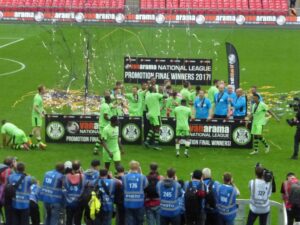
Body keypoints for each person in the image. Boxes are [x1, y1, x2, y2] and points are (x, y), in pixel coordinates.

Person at [122, 160, 148, 225]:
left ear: (130, 168)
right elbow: (145, 185)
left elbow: (124, 186)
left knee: (129, 221)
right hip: (139, 202)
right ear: (138, 167)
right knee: (139, 221)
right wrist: (141, 172)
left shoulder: (124, 177)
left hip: (128, 201)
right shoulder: (142, 177)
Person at [63, 161, 86, 225]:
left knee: (69, 220)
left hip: (69, 202)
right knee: (77, 221)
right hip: (79, 202)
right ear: (79, 168)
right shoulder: (82, 176)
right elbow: (83, 188)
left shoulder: (66, 176)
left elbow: (65, 188)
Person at [144, 86, 164, 151]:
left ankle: (147, 141)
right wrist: (162, 91)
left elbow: (146, 106)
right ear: (153, 89)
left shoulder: (147, 96)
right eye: (155, 88)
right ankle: (156, 145)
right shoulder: (156, 94)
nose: (156, 89)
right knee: (157, 128)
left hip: (150, 114)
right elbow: (164, 96)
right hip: (156, 114)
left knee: (152, 128)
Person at [0, 156, 17, 225]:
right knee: (9, 214)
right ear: (11, 164)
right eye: (15, 161)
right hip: (5, 195)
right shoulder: (10, 171)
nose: (16, 163)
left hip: (1, 193)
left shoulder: (1, 168)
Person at [84, 160, 100, 225]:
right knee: (94, 211)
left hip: (85, 195)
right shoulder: (97, 173)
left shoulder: (85, 172)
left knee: (87, 211)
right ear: (97, 166)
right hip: (94, 195)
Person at [30, 85, 47, 149]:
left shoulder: (39, 96)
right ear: (41, 90)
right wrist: (41, 113)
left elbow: (40, 106)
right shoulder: (38, 98)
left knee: (36, 128)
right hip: (36, 116)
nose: (45, 90)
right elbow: (35, 107)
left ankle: (28, 139)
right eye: (44, 89)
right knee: (37, 129)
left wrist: (44, 111)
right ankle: (39, 143)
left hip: (38, 115)